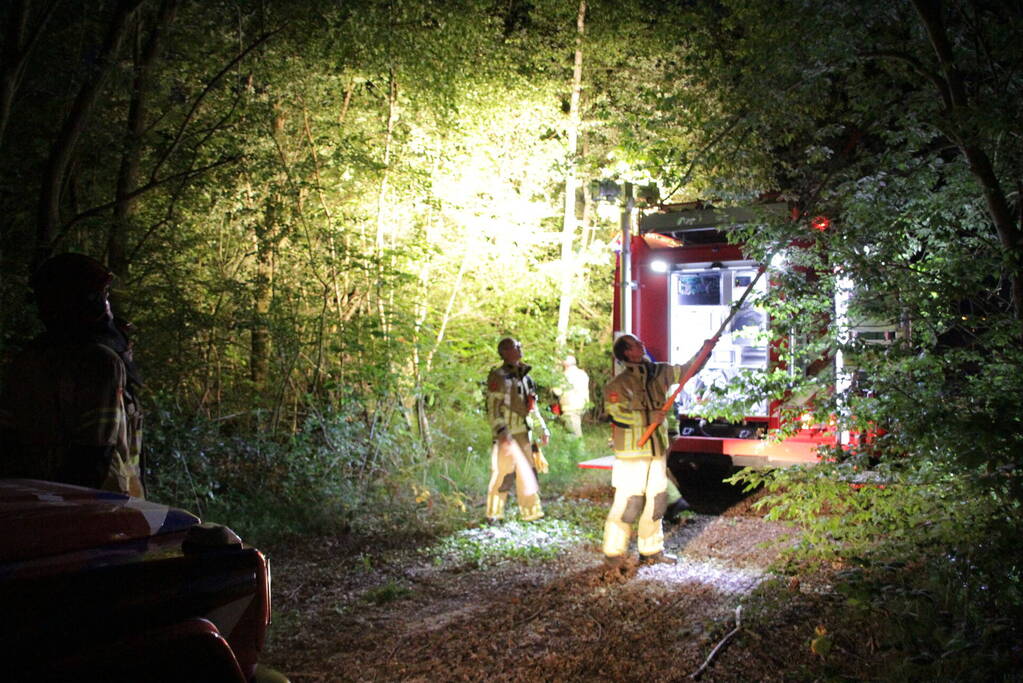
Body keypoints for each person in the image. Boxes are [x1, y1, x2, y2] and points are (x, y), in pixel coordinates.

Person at [0, 253, 145, 497]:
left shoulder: (26, 359)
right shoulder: (101, 363)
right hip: (99, 512)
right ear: (85, 301)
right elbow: (95, 455)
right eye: (103, 296)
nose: (108, 306)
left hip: (29, 502)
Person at [602, 333, 712, 567]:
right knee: (629, 503)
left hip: (656, 451)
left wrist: (705, 351)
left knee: (657, 500)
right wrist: (649, 416)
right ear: (626, 353)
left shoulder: (660, 372)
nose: (642, 345)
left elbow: (687, 371)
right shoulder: (617, 385)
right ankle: (614, 553)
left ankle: (651, 550)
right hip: (632, 453)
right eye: (635, 344)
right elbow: (617, 413)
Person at [484, 337, 549, 523]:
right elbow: (493, 407)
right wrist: (501, 432)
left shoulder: (527, 378)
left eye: (520, 345)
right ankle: (494, 513)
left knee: (528, 472)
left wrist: (541, 428)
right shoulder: (498, 377)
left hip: (523, 433)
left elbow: (532, 407)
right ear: (504, 352)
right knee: (503, 474)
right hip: (506, 433)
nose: (519, 349)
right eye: (515, 347)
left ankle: (531, 513)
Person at [553, 355, 589, 438]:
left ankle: (579, 450)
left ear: (565, 365)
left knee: (574, 434)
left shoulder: (564, 376)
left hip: (569, 408)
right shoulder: (582, 374)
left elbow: (557, 392)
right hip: (582, 406)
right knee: (575, 428)